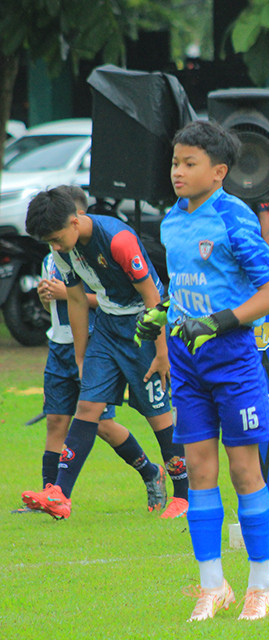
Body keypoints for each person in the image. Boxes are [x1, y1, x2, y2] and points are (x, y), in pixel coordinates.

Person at [135, 120, 269, 621]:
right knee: (199, 470)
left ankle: (261, 586)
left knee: (244, 469)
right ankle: (212, 586)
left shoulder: (234, 217)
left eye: (189, 163)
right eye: (175, 162)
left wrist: (218, 322)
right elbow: (186, 285)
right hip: (186, 359)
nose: (177, 172)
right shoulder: (171, 221)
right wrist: (162, 313)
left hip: (232, 358)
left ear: (219, 172)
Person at [20, 188, 185, 520]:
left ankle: (184, 495)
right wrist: (82, 357)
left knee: (158, 415)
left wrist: (161, 352)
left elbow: (153, 300)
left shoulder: (118, 241)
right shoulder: (63, 250)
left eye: (56, 238)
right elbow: (77, 300)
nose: (55, 247)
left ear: (75, 221)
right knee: (88, 406)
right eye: (49, 242)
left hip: (143, 326)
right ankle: (60, 494)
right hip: (108, 327)